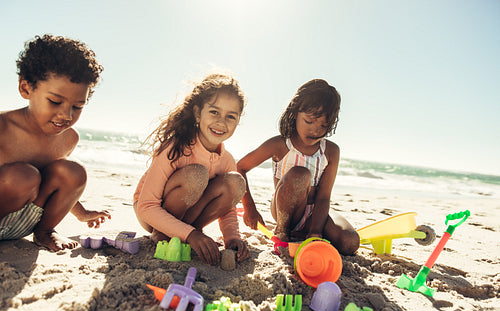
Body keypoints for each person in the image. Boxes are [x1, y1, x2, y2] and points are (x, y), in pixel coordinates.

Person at [0, 35, 111, 251]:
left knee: (73, 171)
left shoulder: (68, 137)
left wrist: (82, 213)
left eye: (78, 106)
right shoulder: (3, 127)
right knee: (24, 176)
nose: (66, 115)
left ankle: (44, 232)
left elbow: (56, 184)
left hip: (21, 225)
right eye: (55, 101)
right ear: (26, 88)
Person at [134, 72, 250, 265]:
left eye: (231, 116)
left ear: (238, 121)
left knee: (236, 182)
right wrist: (192, 235)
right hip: (152, 214)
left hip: (191, 219)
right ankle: (164, 235)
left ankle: (184, 233)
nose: (221, 122)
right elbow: (146, 207)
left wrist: (232, 237)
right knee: (197, 175)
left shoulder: (227, 160)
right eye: (214, 112)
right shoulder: (176, 148)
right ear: (198, 113)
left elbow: (228, 208)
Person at [237, 79, 359, 255]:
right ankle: (283, 232)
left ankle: (306, 233)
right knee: (301, 174)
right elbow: (240, 167)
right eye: (309, 121)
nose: (315, 131)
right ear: (295, 113)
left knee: (350, 242)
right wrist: (250, 207)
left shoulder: (331, 151)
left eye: (324, 125)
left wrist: (315, 231)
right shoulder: (280, 144)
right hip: (286, 212)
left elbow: (324, 197)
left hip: (314, 214)